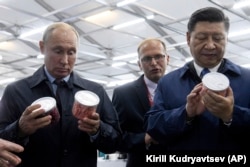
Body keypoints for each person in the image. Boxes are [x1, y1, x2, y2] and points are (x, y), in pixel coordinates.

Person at [0, 22, 121, 167]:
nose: (65, 61)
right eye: (58, 51)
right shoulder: (16, 91)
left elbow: (116, 143)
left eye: (71, 52)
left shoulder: (95, 92)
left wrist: (97, 130)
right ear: (42, 47)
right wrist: (20, 129)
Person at [144, 7, 250, 151]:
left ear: (227, 38)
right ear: (188, 38)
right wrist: (186, 113)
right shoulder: (168, 83)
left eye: (218, 38)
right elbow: (153, 127)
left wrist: (231, 114)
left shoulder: (247, 79)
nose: (211, 45)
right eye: (201, 38)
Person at [112, 38, 169, 166]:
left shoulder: (183, 90)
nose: (154, 63)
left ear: (167, 59)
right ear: (139, 64)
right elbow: (115, 138)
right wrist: (145, 138)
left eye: (159, 56)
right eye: (147, 59)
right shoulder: (123, 94)